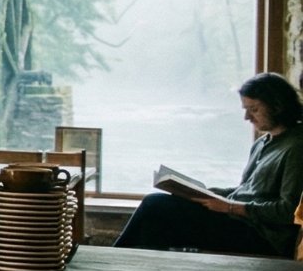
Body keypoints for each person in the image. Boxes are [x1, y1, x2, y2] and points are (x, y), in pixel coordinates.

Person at [114, 72, 303, 255]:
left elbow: (289, 211)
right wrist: (204, 193)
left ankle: (115, 260)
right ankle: (125, 264)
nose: (247, 117)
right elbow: (245, 190)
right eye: (245, 110)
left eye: (254, 109)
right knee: (158, 213)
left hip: (262, 235)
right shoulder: (263, 142)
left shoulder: (296, 147)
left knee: (155, 206)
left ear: (277, 106)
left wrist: (230, 207)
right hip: (237, 220)